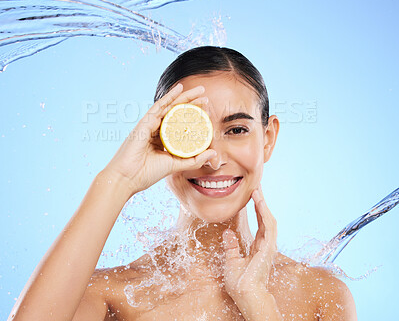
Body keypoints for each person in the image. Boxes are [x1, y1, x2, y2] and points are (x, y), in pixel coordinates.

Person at [8, 46, 357, 321]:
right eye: (191, 132)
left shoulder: (322, 294)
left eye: (236, 130)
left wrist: (257, 303)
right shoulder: (112, 294)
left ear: (267, 139)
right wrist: (118, 180)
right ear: (158, 138)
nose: (214, 159)